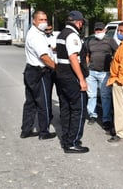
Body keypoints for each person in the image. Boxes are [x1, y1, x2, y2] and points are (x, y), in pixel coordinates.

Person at [55, 10, 89, 153]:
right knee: (78, 109)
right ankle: (72, 142)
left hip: (61, 75)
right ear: (78, 22)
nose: (81, 25)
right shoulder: (72, 35)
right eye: (81, 23)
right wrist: (81, 79)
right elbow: (73, 57)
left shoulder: (62, 33)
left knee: (66, 108)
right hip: (71, 77)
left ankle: (66, 138)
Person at [20, 10, 56, 140]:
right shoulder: (36, 36)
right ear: (34, 21)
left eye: (45, 20)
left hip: (30, 71)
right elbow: (44, 57)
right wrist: (57, 68)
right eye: (41, 20)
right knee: (44, 103)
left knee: (30, 102)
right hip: (39, 73)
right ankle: (44, 132)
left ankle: (26, 130)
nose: (44, 22)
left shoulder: (36, 33)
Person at [86, 22, 118, 134]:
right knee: (91, 95)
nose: (98, 32)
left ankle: (106, 120)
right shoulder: (90, 41)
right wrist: (86, 68)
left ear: (104, 30)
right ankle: (92, 115)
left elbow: (117, 53)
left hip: (105, 73)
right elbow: (87, 55)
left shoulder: (110, 41)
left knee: (105, 96)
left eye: (100, 30)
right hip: (92, 72)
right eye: (96, 30)